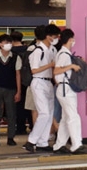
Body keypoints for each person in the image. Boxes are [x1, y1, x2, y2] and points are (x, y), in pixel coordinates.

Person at [24, 24, 60, 153]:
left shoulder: (53, 50)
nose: (56, 39)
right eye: (54, 36)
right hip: (38, 82)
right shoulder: (38, 50)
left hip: (49, 83)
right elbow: (34, 70)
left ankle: (42, 142)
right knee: (44, 113)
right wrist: (50, 65)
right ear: (47, 36)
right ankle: (31, 141)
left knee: (49, 113)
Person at [50, 29, 84, 154]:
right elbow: (56, 71)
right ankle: (76, 144)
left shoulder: (64, 53)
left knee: (65, 118)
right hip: (65, 89)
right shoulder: (64, 54)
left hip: (65, 88)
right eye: (73, 39)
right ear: (70, 39)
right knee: (73, 116)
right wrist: (71, 66)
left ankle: (59, 145)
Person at [0, 34, 21, 148]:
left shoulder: (15, 57)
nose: (8, 45)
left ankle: (11, 137)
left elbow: (18, 75)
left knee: (11, 113)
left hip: (11, 88)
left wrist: (18, 91)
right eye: (6, 42)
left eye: (9, 42)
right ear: (0, 44)